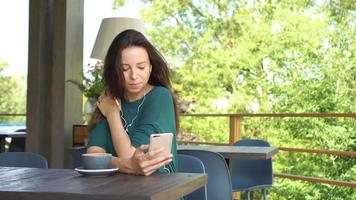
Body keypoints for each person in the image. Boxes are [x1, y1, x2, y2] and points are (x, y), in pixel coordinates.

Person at [86, 29, 179, 176]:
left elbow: (130, 156)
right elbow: (93, 157)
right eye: (124, 69)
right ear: (114, 71)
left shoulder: (160, 97)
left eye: (141, 67)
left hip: (159, 192)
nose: (134, 76)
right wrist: (126, 165)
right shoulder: (109, 100)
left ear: (150, 68)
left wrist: (112, 114)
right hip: (116, 191)